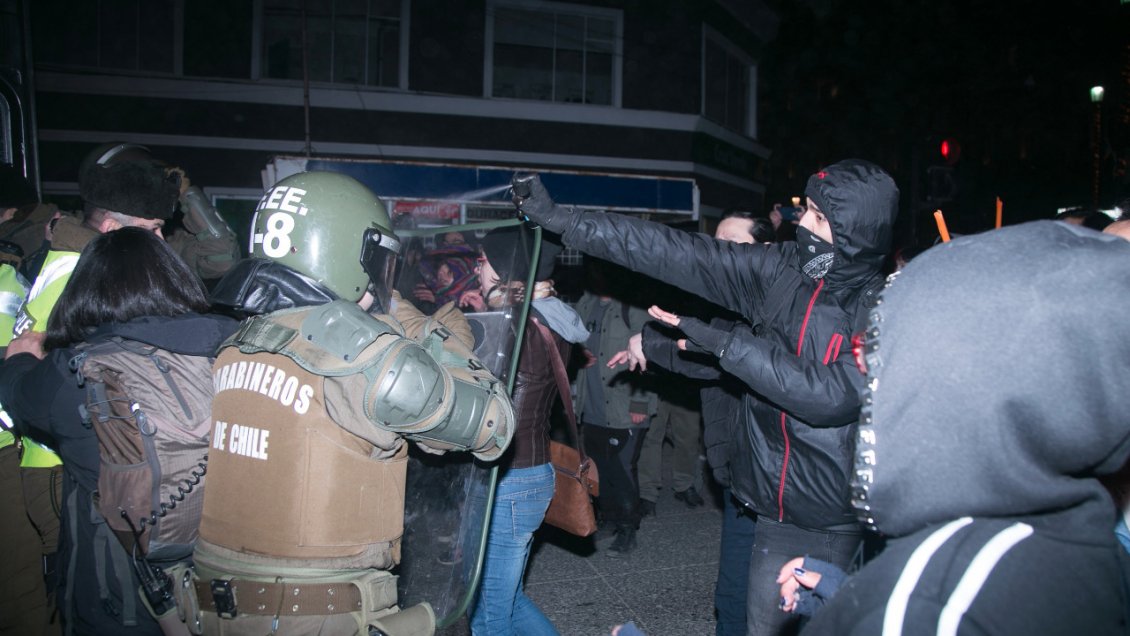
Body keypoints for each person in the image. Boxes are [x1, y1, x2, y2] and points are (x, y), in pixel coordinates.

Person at [513, 159, 898, 634]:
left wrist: (724, 344)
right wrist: (567, 222)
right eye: (807, 212)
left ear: (857, 232)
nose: (804, 227)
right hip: (772, 508)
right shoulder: (781, 270)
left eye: (820, 219)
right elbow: (674, 252)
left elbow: (831, 397)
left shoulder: (882, 305)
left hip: (835, 516)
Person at [192, 171, 514, 635]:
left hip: (214, 605)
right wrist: (403, 313)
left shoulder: (239, 342)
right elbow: (493, 424)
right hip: (318, 612)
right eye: (379, 261)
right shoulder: (364, 359)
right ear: (349, 253)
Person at [783, 221, 1130, 634]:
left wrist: (891, 606)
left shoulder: (935, 603)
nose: (866, 370)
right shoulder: (1080, 535)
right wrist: (855, 601)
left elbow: (941, 610)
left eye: (878, 347)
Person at [0, 227, 239, 635]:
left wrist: (20, 358)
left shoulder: (74, 371)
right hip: (222, 584)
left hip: (117, 598)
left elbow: (19, 399)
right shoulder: (232, 352)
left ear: (85, 293)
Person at [461, 225, 587, 636]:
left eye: (481, 262)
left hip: (509, 480)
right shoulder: (548, 316)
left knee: (487, 617)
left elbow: (482, 400)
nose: (477, 270)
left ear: (501, 270)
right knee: (506, 600)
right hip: (529, 474)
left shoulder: (515, 328)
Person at [574, 258, 657, 556]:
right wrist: (578, 352)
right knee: (600, 468)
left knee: (622, 470)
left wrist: (640, 402)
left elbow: (651, 353)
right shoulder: (587, 303)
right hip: (593, 404)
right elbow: (572, 336)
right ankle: (609, 518)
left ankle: (628, 527)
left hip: (624, 405)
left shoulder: (631, 306)